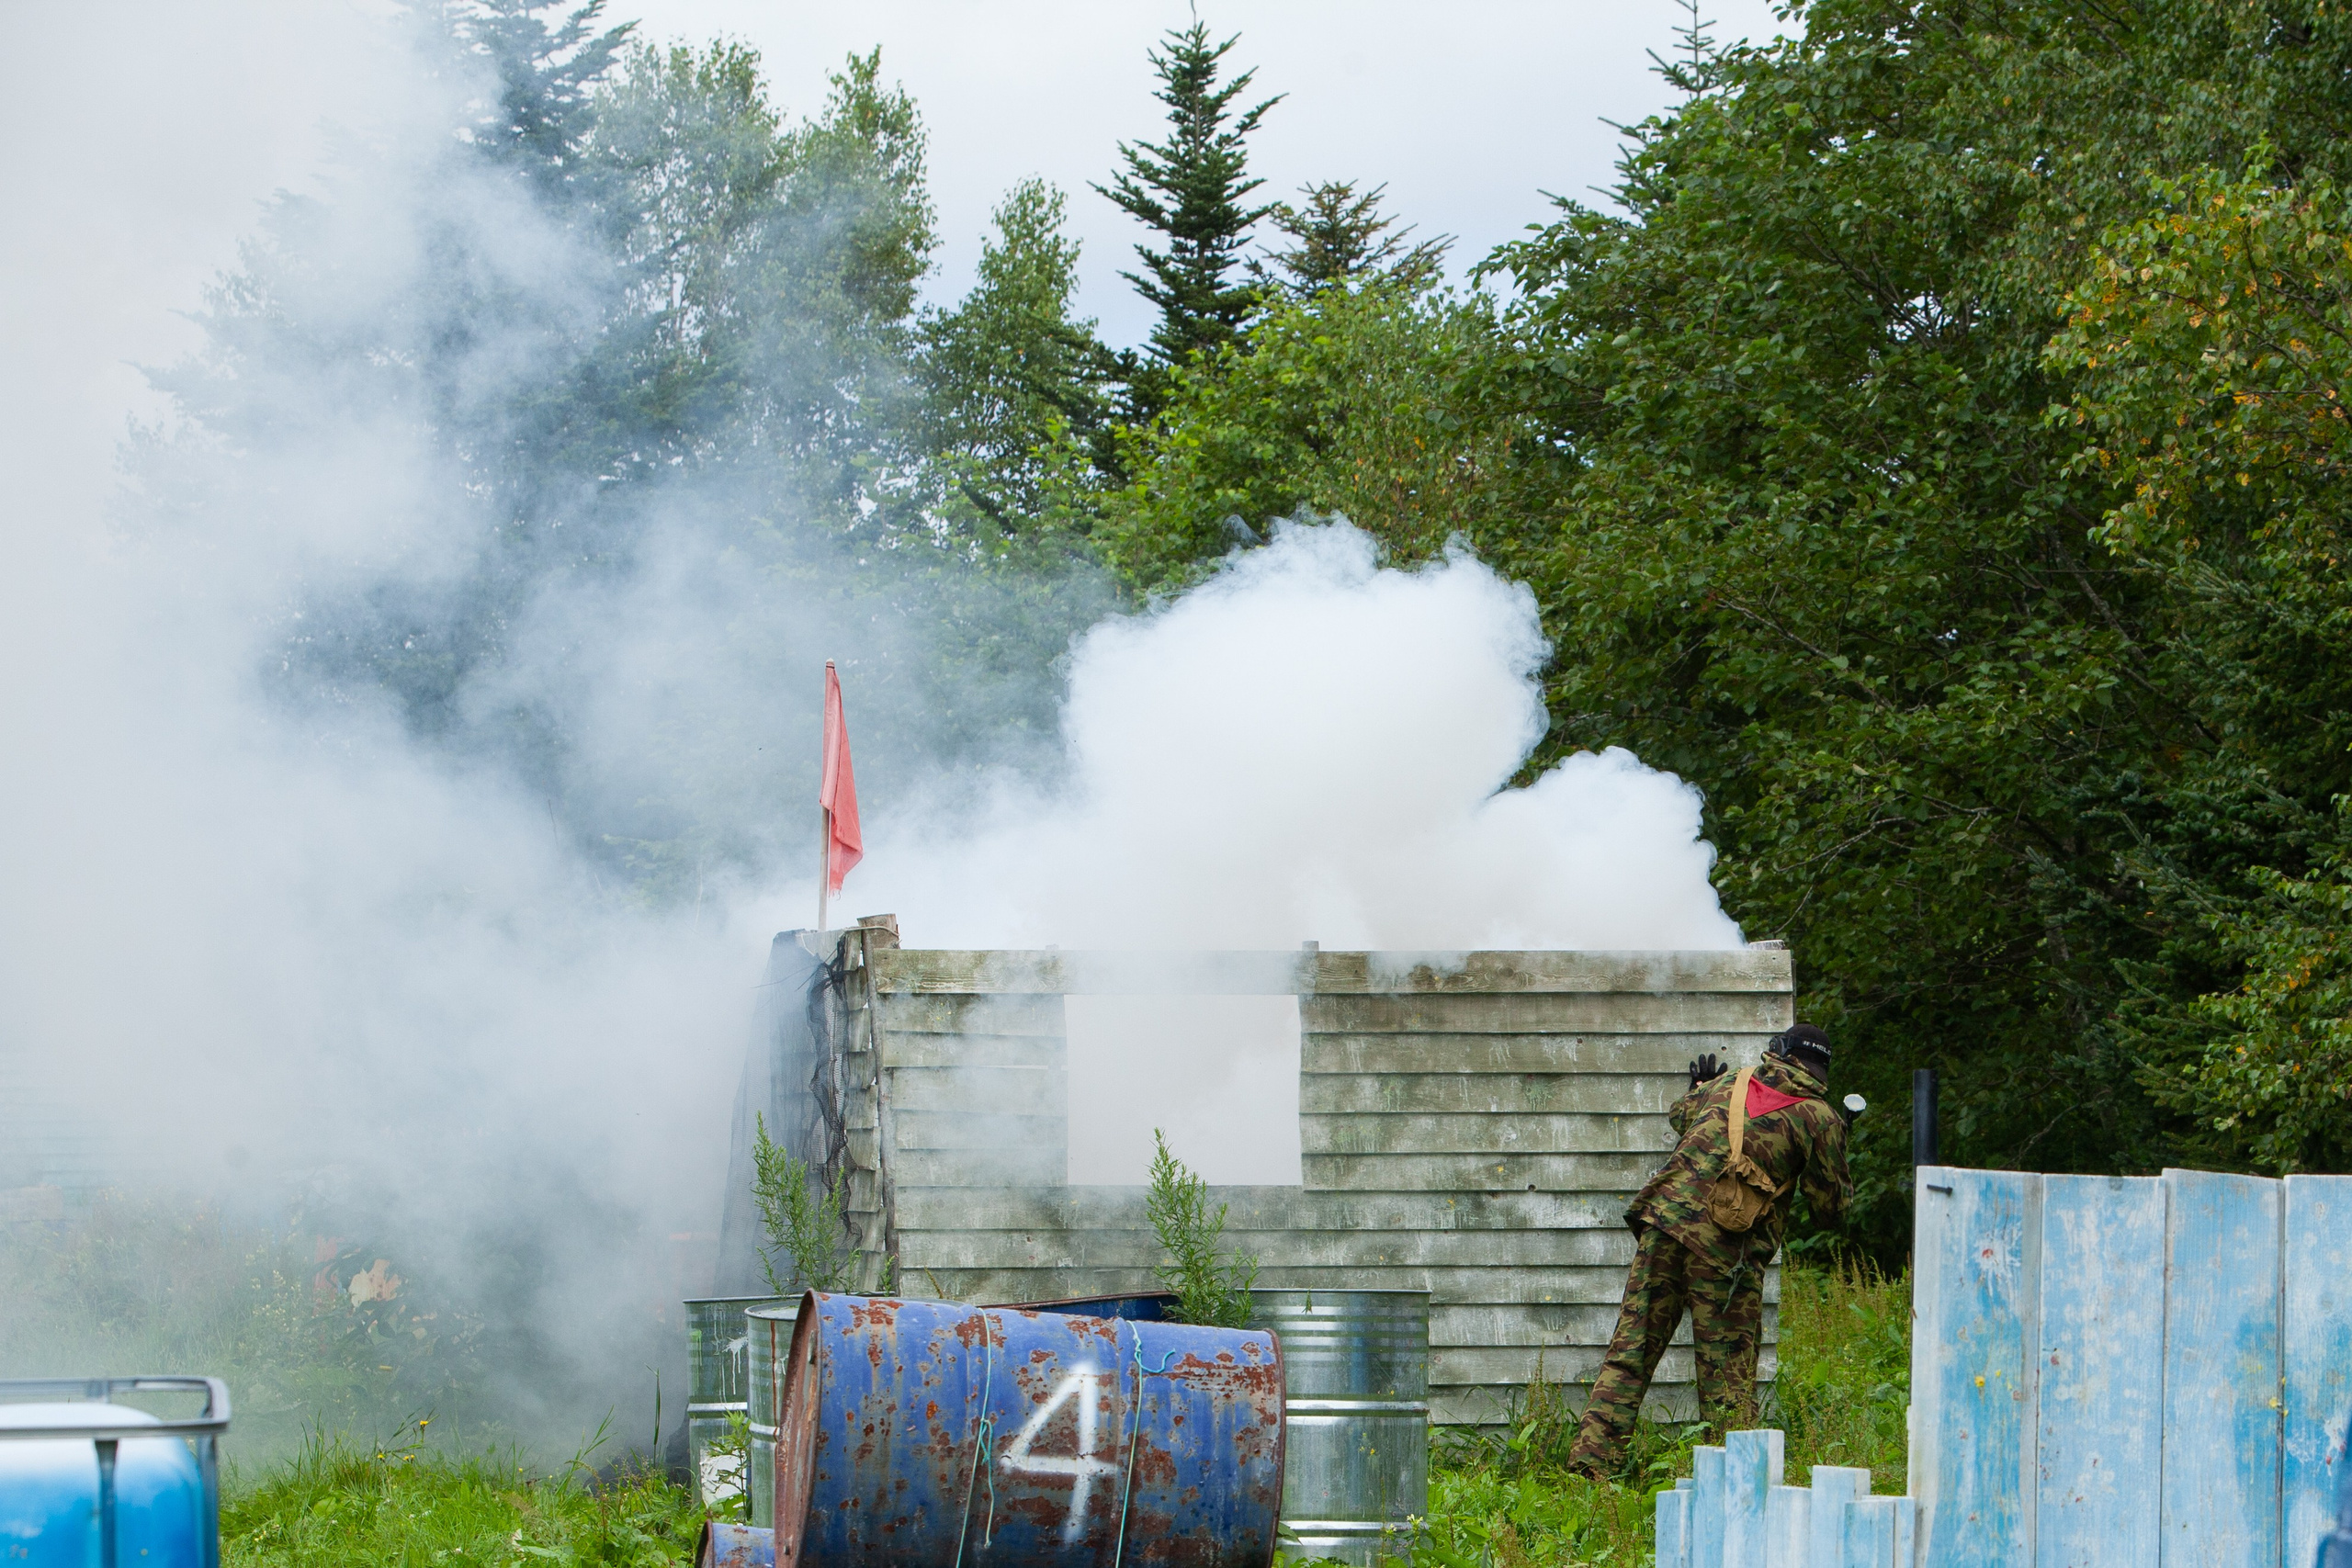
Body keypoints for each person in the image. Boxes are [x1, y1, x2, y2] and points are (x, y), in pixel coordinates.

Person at [1566, 1022, 1851, 1479]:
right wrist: (1837, 1148)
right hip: (1725, 1253)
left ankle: (1590, 1467)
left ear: (1778, 1052)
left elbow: (1683, 1116)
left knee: (1631, 1350)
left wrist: (1698, 1089)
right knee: (1727, 1377)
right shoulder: (1820, 1118)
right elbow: (1830, 1211)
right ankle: (1732, 1480)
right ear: (1821, 1069)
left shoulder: (1729, 1081)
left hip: (1663, 1225)